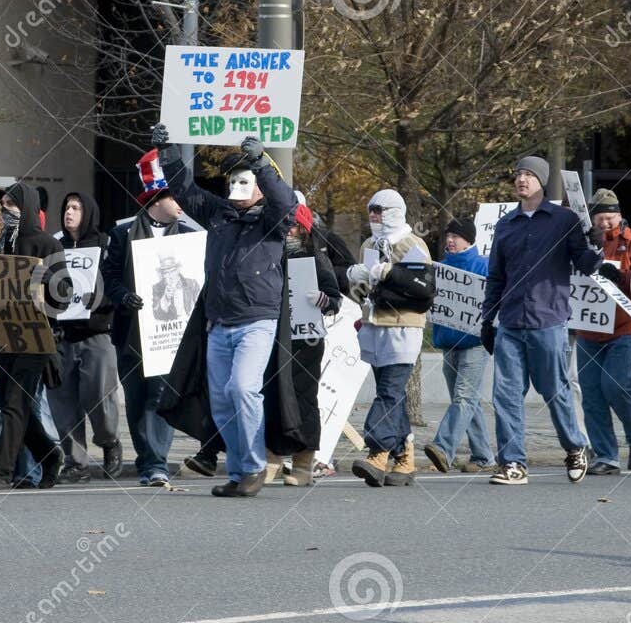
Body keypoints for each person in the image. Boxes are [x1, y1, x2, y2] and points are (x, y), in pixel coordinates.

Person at [152, 124, 294, 497]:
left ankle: (253, 467)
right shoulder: (219, 214)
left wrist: (262, 163)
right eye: (233, 182)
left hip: (256, 322)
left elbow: (285, 203)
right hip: (219, 323)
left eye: (245, 182)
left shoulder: (272, 221)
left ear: (260, 187)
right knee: (221, 400)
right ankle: (239, 471)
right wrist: (167, 151)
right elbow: (184, 189)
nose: (236, 189)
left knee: (243, 389)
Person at [478, 155, 603, 486]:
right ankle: (513, 463)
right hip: (510, 321)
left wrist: (597, 248)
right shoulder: (506, 225)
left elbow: (585, 263)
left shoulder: (564, 220)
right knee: (504, 394)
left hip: (548, 320)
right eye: (518, 173)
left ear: (542, 181)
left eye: (529, 174)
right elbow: (496, 277)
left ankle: (575, 447)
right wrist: (487, 318)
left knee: (555, 390)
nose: (522, 179)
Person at [102, 151, 201, 487]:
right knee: (137, 399)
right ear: (158, 198)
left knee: (160, 396)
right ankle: (146, 460)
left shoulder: (189, 236)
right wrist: (123, 297)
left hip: (171, 335)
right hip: (131, 332)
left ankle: (157, 463)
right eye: (176, 196)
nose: (182, 203)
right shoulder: (122, 234)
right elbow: (110, 276)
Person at [0, 182, 65, 490]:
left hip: (36, 335)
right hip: (6, 334)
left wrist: (44, 279)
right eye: (2, 207)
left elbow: (63, 296)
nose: (5, 212)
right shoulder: (1, 245)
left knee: (15, 403)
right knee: (12, 404)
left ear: (26, 207)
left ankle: (3, 473)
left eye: (11, 206)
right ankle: (49, 454)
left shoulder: (47, 245)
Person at [347, 189, 433, 487]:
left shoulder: (412, 244)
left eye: (380, 209)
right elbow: (362, 292)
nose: (373, 215)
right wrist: (354, 277)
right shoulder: (370, 244)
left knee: (389, 391)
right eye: (371, 209)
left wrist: (390, 273)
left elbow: (423, 288)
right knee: (392, 394)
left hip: (403, 327)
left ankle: (378, 450)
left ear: (395, 211)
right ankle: (405, 456)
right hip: (375, 326)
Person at [576, 189, 631, 475]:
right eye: (600, 218)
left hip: (623, 326)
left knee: (616, 383)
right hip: (589, 328)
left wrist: (621, 275)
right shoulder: (582, 242)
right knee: (592, 393)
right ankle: (606, 456)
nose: (605, 223)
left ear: (619, 216)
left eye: (609, 217)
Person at [266, 202, 341, 485]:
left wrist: (323, 300)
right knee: (273, 395)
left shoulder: (316, 259)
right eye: (285, 225)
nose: (288, 231)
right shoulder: (268, 255)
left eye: (294, 225)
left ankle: (303, 461)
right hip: (274, 337)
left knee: (304, 398)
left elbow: (334, 299)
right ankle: (273, 456)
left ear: (305, 230)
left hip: (306, 341)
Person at [51, 191, 123, 483]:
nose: (69, 212)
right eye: (66, 207)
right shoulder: (55, 246)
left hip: (97, 334)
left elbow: (118, 282)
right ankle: (76, 462)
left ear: (89, 212)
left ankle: (109, 442)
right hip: (62, 336)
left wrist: (103, 298)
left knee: (99, 396)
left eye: (76, 207)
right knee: (63, 402)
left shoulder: (106, 245)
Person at [423, 218, 494, 474]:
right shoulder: (439, 268)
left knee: (464, 397)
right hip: (448, 342)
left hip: (475, 344)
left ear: (469, 239)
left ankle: (443, 448)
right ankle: (484, 456)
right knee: (464, 400)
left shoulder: (484, 266)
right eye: (448, 235)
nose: (450, 240)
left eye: (456, 236)